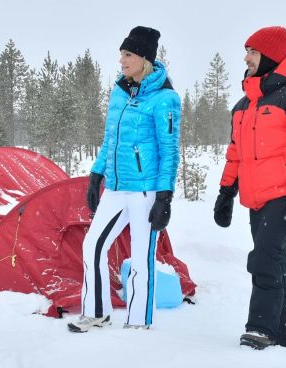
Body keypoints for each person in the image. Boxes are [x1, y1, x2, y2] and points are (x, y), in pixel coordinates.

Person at [213, 26, 286, 350]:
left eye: (252, 51)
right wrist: (226, 192)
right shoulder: (242, 107)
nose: (246, 57)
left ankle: (261, 330)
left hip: (285, 196)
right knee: (275, 262)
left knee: (265, 258)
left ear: (269, 56)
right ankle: (282, 336)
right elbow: (235, 154)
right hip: (256, 200)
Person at [68, 26, 181, 333]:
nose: (122, 60)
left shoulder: (164, 98)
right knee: (92, 245)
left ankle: (138, 322)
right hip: (116, 188)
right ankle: (96, 312)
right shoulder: (119, 92)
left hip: (145, 191)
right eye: (121, 54)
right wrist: (96, 174)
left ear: (144, 58)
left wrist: (164, 196)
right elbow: (110, 140)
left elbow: (169, 151)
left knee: (141, 258)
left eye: (127, 55)